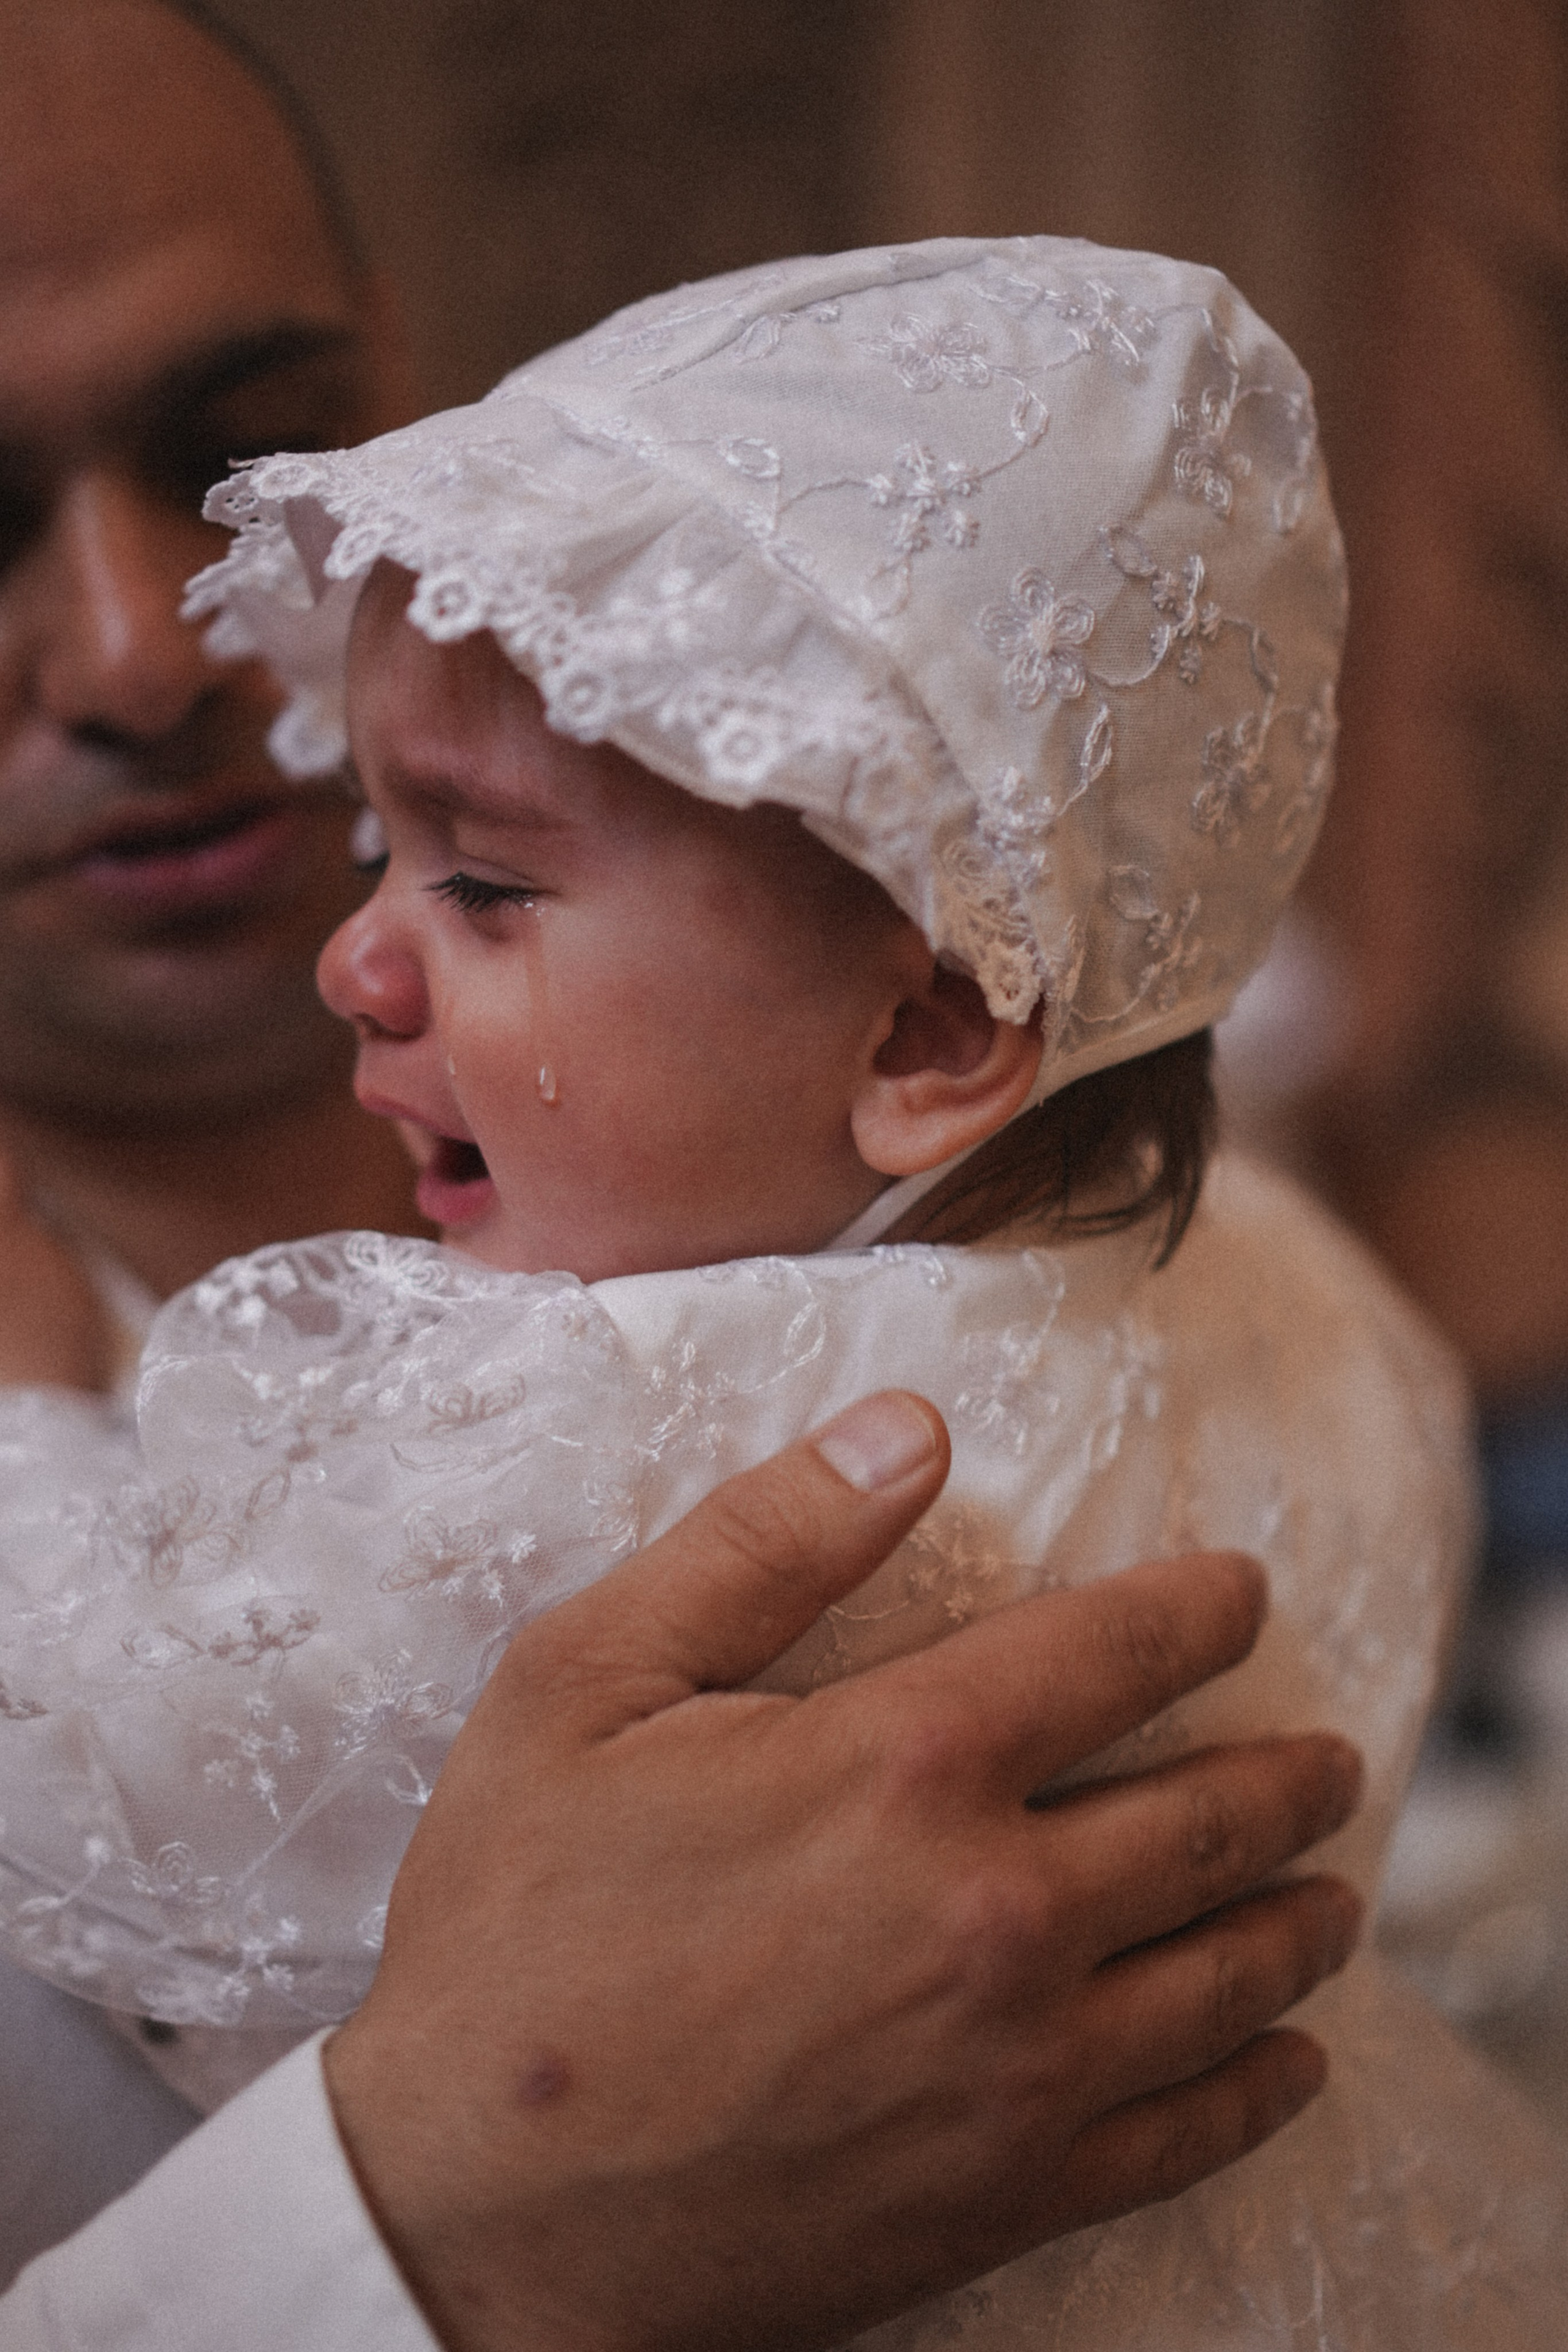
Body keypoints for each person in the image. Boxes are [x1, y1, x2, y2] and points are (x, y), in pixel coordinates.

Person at [7, 233, 1565, 2347]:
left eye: (478, 882)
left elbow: (127, 1786)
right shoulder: (1289, 1284)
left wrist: (33, 1421)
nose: (353, 962)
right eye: (370, 844)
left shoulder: (577, 1433)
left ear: (927, 1040)